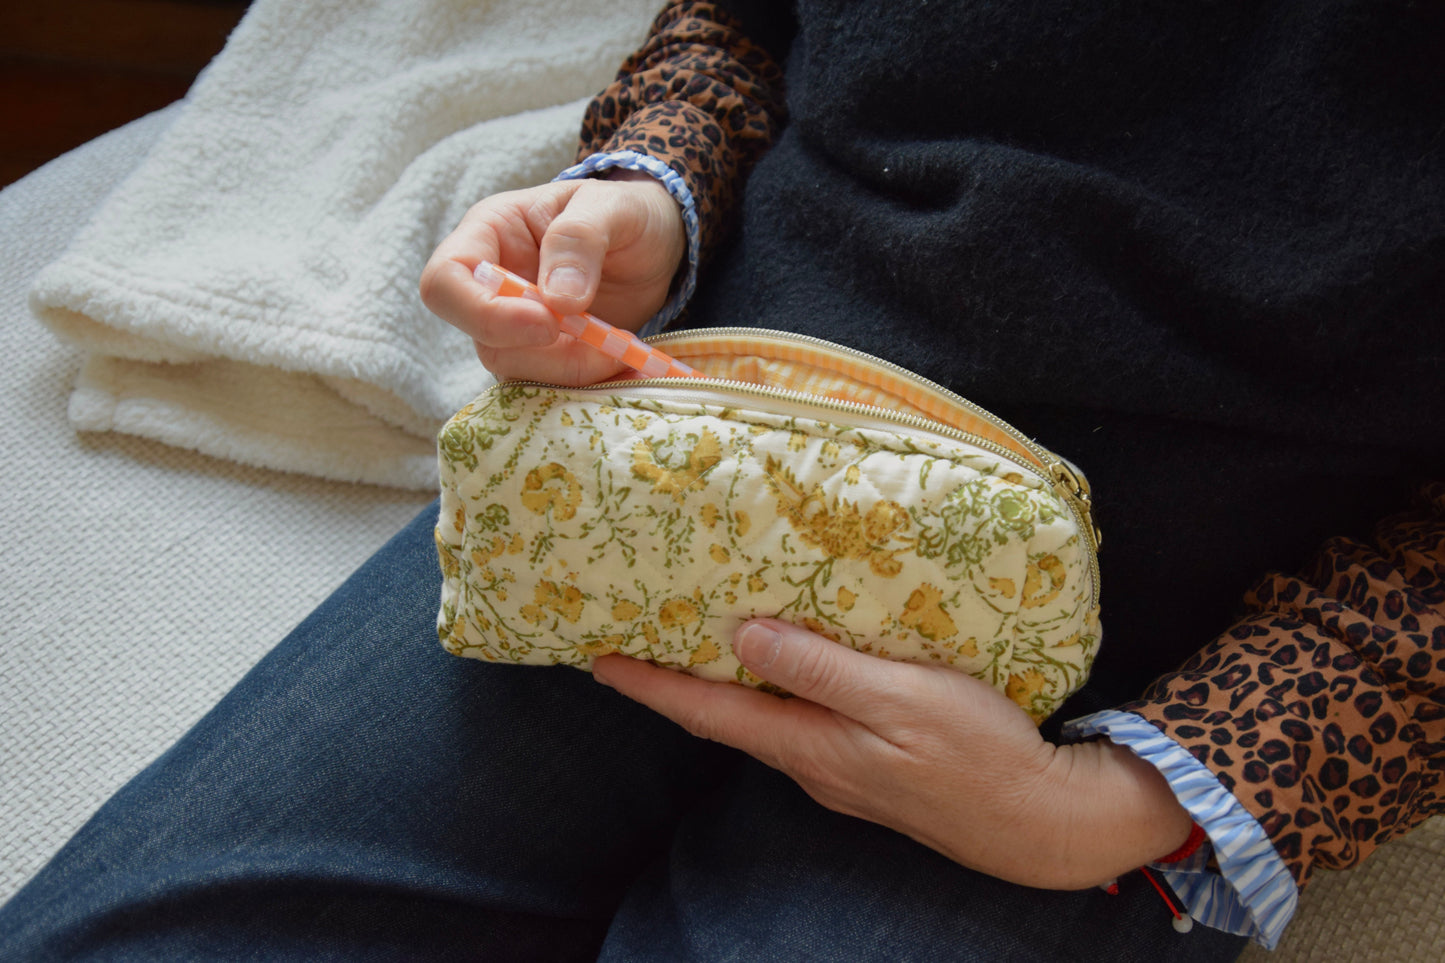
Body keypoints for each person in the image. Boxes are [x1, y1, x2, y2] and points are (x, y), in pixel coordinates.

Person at [2, 1, 1440, 959]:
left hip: (1146, 668)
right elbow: (751, 17)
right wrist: (646, 189)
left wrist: (1133, 802)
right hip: (662, 465)